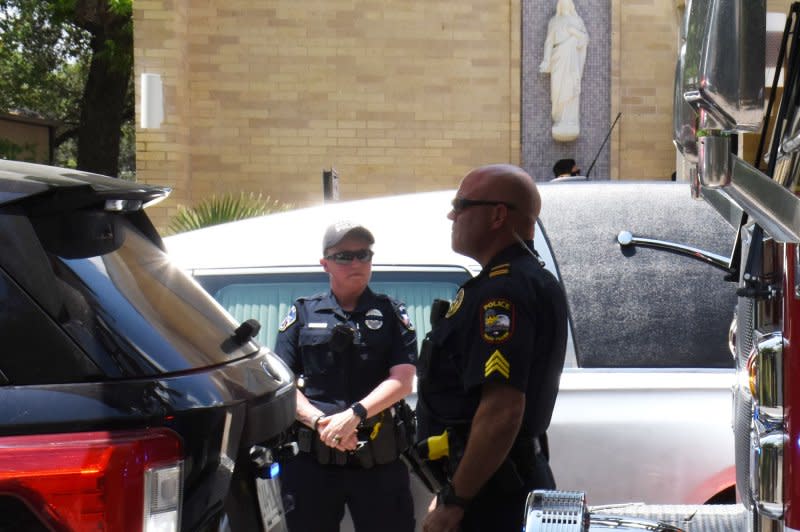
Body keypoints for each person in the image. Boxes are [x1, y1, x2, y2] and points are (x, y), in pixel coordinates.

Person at [416, 164, 568, 532]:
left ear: (498, 214)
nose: (451, 214)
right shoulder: (516, 280)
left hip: (494, 498)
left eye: (461, 203)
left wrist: (456, 502)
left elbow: (502, 410)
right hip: (492, 483)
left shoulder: (502, 292)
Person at [274, 221, 417, 532]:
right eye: (344, 256)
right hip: (313, 466)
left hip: (378, 465)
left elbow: (403, 379)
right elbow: (283, 384)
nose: (356, 263)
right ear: (325, 263)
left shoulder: (392, 313)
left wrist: (354, 415)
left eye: (363, 255)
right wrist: (320, 422)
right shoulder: (302, 313)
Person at [539, 0, 589, 142]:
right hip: (558, 58)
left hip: (572, 60)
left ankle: (571, 120)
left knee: (571, 89)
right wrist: (546, 60)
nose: (565, 4)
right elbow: (549, 42)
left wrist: (574, 32)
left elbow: (585, 40)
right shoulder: (554, 21)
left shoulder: (577, 20)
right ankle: (560, 119)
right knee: (558, 91)